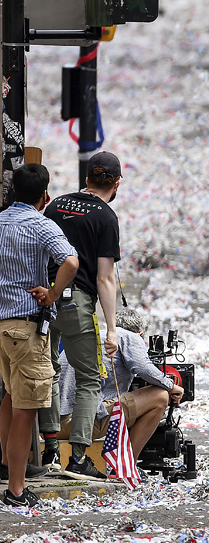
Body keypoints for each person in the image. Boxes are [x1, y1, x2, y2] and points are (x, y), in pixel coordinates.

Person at [37, 151, 124, 480]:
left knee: (48, 371)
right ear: (116, 184)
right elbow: (104, 278)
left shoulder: (56, 205)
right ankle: (77, 458)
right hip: (77, 303)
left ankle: (48, 450)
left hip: (43, 298)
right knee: (90, 379)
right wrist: (112, 329)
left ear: (86, 179)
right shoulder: (106, 218)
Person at [0, 164, 79, 507]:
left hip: (1, 327)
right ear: (45, 196)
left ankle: (6, 466)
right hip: (26, 327)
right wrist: (51, 291)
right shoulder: (41, 225)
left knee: (9, 397)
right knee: (25, 409)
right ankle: (16, 489)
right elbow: (71, 262)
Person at [58, 306, 183, 469]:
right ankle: (127, 466)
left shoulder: (92, 337)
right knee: (160, 396)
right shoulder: (127, 336)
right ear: (140, 334)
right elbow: (143, 368)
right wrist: (171, 386)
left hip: (56, 424)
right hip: (82, 424)